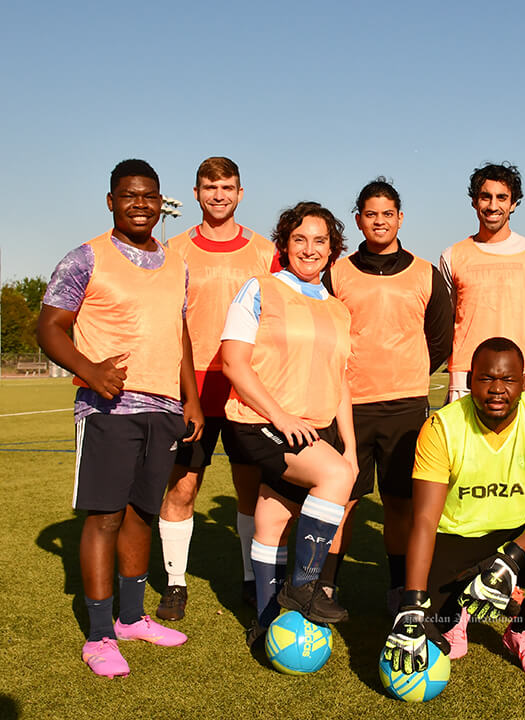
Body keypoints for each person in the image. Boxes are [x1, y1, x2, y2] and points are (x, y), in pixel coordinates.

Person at [37, 159, 202, 678]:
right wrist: (89, 370)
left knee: (140, 514)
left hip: (164, 409)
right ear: (111, 200)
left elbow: (179, 334)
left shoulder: (176, 262)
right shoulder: (86, 257)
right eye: (129, 195)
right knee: (105, 516)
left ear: (160, 202)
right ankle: (100, 633)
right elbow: (50, 326)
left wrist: (191, 398)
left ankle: (132, 618)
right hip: (108, 408)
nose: (140, 203)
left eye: (149, 196)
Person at [382, 337, 525, 680]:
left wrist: (511, 560)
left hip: (520, 536)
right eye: (486, 378)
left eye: (508, 379)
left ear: (524, 382)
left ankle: (522, 630)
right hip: (457, 537)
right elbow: (425, 519)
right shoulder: (441, 427)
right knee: (427, 620)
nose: (497, 389)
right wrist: (413, 602)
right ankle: (458, 612)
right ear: (468, 381)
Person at [218, 201, 359, 644]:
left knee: (273, 517)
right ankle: (303, 589)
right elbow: (233, 363)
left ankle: (263, 622)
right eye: (300, 239)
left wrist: (350, 449)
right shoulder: (259, 288)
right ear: (284, 245)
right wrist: (279, 416)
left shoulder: (338, 308)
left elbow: (340, 381)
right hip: (259, 421)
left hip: (313, 428)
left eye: (320, 241)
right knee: (332, 475)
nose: (310, 248)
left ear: (333, 249)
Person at [156, 157, 277, 621]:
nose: (219, 194)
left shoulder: (266, 251)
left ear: (240, 193)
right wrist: (183, 392)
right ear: (196, 193)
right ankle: (174, 583)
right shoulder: (175, 248)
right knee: (183, 487)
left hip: (247, 388)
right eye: (210, 187)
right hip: (193, 390)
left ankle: (251, 579)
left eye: (227, 186)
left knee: (251, 489)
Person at [323, 178, 452, 612]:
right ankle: (326, 584)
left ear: (400, 218)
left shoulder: (424, 273)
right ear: (359, 219)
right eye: (371, 214)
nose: (379, 221)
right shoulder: (336, 272)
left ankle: (400, 588)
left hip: (406, 407)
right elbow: (323, 332)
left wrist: (406, 371)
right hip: (349, 407)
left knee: (400, 503)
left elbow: (439, 339)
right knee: (343, 499)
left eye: (388, 213)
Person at [439, 162, 525, 401]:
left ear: (513, 204)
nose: (493, 206)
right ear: (474, 202)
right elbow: (449, 319)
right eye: (485, 197)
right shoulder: (452, 255)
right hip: (465, 377)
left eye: (502, 198)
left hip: (518, 376)